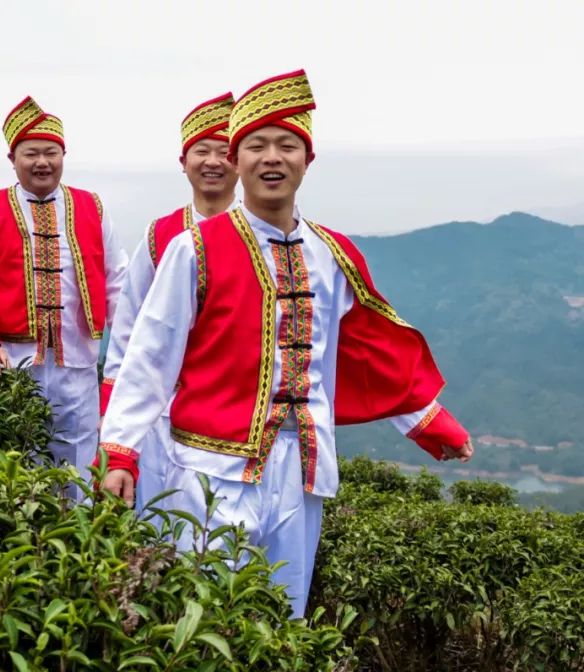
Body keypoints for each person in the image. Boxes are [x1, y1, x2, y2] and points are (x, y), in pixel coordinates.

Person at [97, 70, 473, 616]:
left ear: (307, 159)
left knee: (283, 613)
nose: (272, 157)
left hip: (303, 467)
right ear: (237, 158)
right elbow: (151, 356)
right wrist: (121, 451)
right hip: (210, 469)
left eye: (287, 145)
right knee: (204, 616)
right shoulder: (193, 249)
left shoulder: (333, 253)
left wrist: (426, 418)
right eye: (257, 145)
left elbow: (364, 349)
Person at [0, 95, 128, 497]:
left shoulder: (92, 206)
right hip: (12, 363)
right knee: (15, 458)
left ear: (63, 155)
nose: (42, 162)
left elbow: (118, 278)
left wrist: (128, 347)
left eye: (51, 152)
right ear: (12, 158)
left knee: (79, 460)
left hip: (78, 361)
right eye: (31, 153)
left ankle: (77, 545)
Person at [99, 92, 238, 516]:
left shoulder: (258, 235)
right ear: (184, 161)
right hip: (160, 416)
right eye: (202, 150)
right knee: (156, 525)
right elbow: (128, 329)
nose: (212, 161)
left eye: (224, 151)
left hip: (232, 415)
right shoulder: (161, 235)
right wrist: (116, 430)